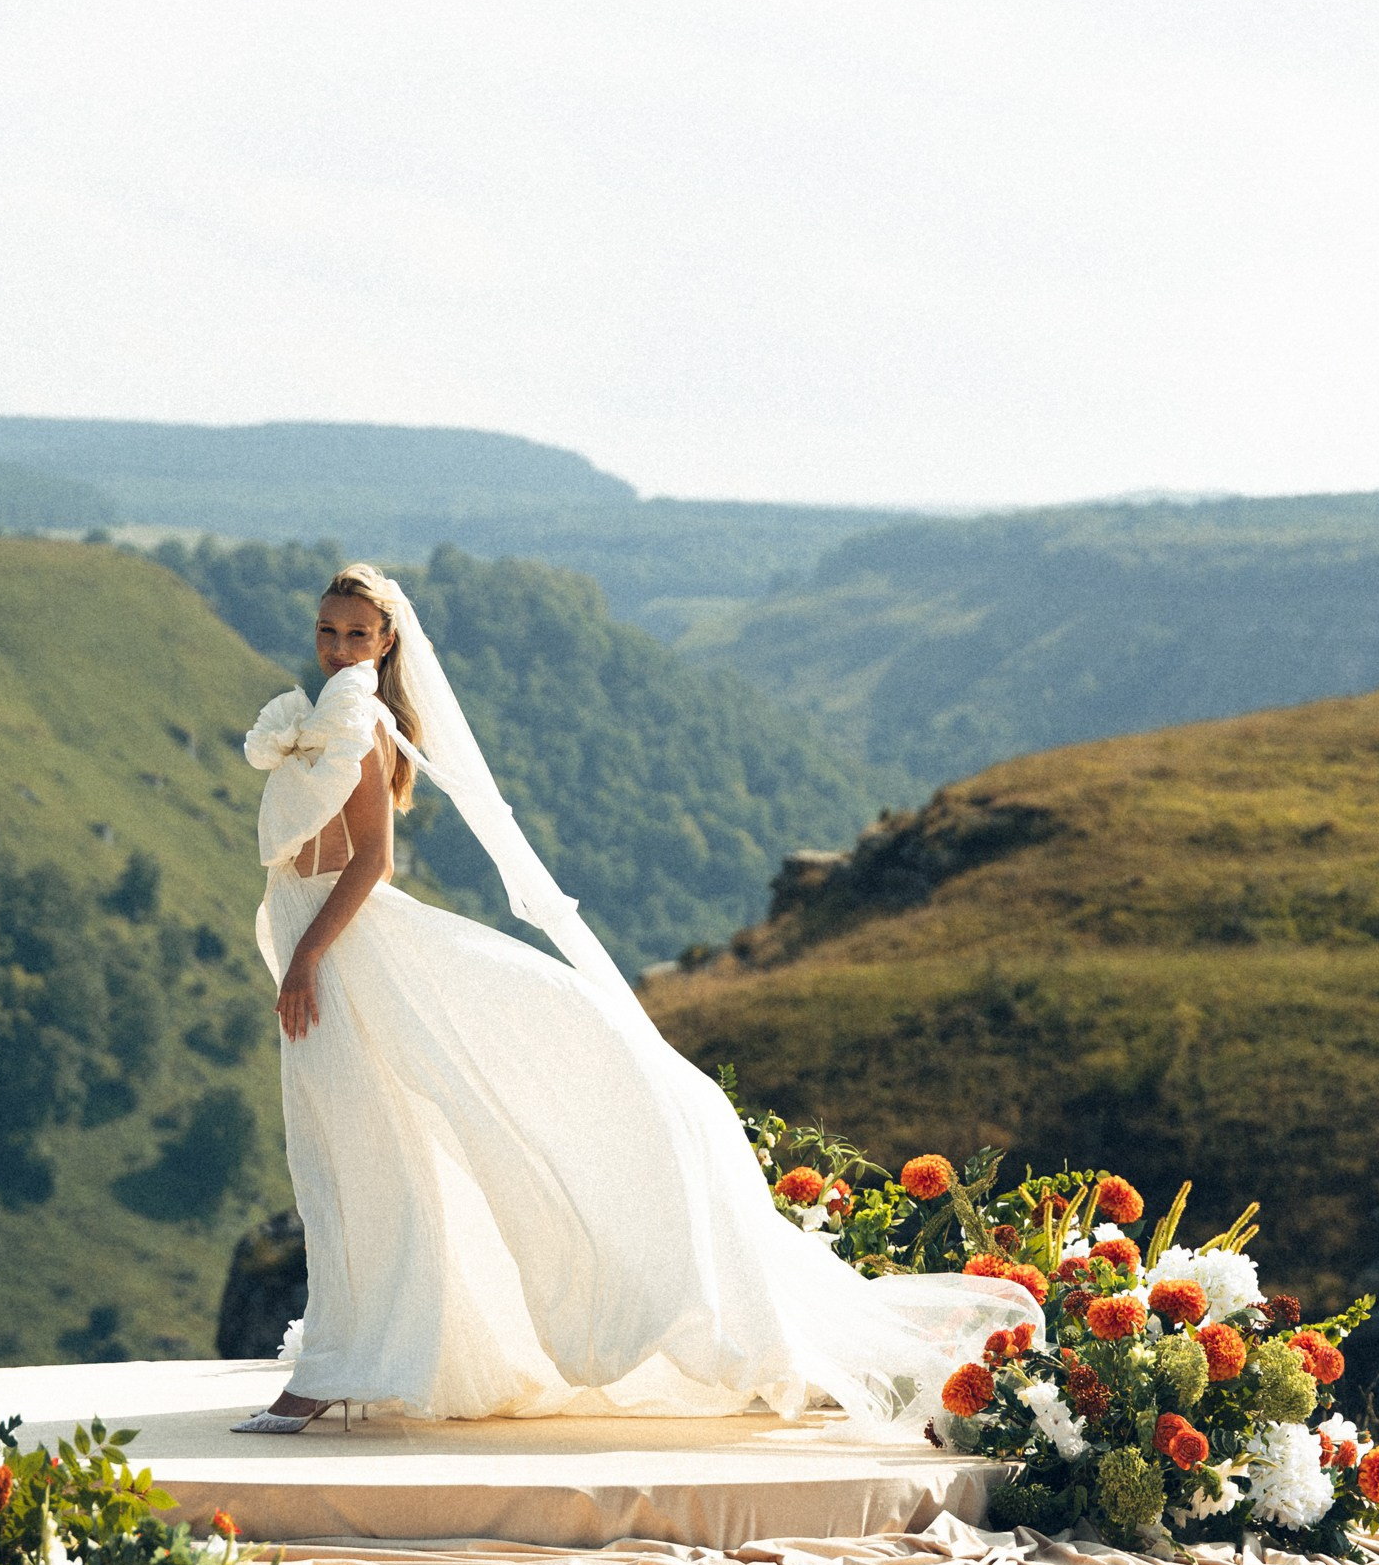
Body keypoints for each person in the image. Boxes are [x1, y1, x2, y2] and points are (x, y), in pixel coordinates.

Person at [234, 564, 1034, 1433]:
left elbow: (372, 861)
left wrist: (310, 957)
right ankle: (377, 1352)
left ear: (385, 642)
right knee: (359, 1149)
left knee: (367, 1149)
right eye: (326, 631)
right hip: (331, 950)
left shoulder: (361, 724)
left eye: (356, 633)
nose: (338, 647)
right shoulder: (325, 720)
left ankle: (334, 1370)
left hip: (350, 953)